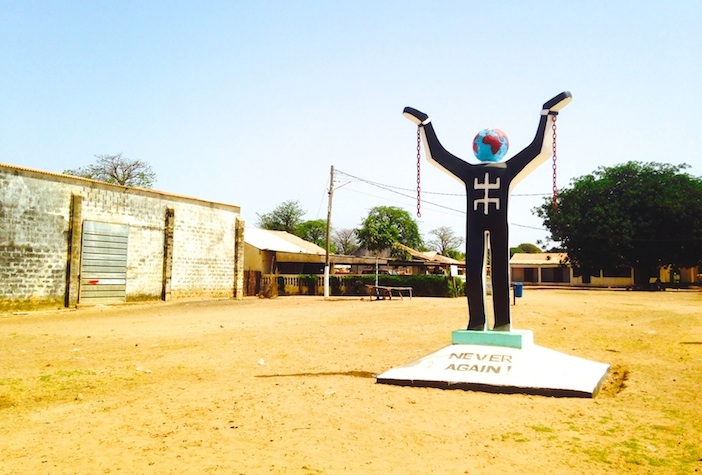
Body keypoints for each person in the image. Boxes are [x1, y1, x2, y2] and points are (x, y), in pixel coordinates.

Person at [403, 92, 572, 331]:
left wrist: (548, 113)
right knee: (473, 272)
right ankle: (477, 321)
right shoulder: (479, 171)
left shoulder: (504, 169)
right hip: (474, 225)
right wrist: (424, 124)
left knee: (501, 271)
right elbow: (437, 155)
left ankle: (502, 322)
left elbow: (539, 150)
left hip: (497, 224)